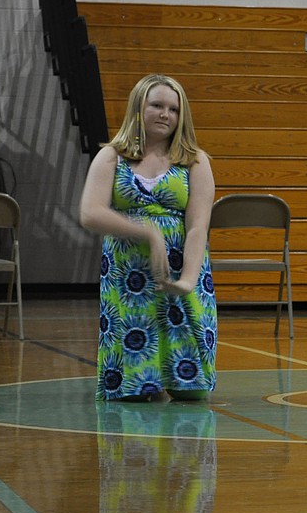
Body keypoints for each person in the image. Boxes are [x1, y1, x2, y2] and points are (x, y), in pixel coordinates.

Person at [80, 74, 217, 401]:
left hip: (181, 271)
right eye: (157, 105)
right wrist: (147, 233)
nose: (165, 114)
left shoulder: (195, 161)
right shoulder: (111, 156)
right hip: (128, 278)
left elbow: (198, 226)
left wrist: (187, 280)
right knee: (133, 391)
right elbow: (90, 212)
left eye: (173, 108)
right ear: (138, 108)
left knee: (191, 392)